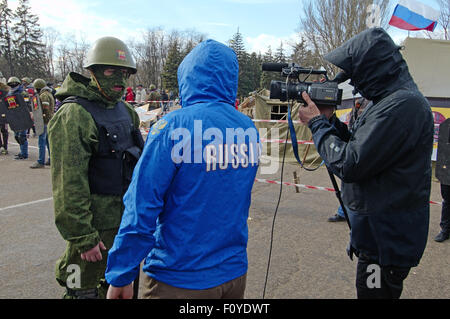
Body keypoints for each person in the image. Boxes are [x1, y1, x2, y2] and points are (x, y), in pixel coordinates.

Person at [105, 39, 260, 299]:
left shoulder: (172, 127)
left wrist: (122, 272)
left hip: (179, 276)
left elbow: (141, 203)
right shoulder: (248, 128)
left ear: (188, 77)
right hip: (233, 273)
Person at [298, 28, 434, 299]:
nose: (355, 83)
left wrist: (316, 123)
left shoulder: (402, 106)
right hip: (378, 238)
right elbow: (362, 147)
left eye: (357, 74)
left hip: (385, 245)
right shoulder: (386, 101)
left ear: (373, 68)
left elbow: (350, 163)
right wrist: (329, 121)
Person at [48, 36, 144, 299]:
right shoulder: (74, 115)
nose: (120, 80)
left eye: (125, 73)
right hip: (95, 233)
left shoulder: (126, 112)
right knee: (84, 292)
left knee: (124, 290)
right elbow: (68, 185)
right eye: (111, 71)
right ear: (93, 72)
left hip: (125, 228)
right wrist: (83, 238)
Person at [328, 97, 371, 223]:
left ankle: (347, 212)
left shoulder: (380, 103)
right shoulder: (360, 101)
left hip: (364, 151)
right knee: (346, 180)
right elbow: (352, 122)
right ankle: (343, 211)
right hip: (353, 142)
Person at [30, 79, 55, 169]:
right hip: (49, 121)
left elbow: (45, 107)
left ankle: (41, 161)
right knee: (48, 142)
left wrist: (36, 115)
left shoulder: (44, 95)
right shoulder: (48, 93)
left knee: (41, 141)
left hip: (44, 121)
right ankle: (51, 159)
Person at [7, 76, 31, 160]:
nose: (13, 85)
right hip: (14, 117)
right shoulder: (9, 93)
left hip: (22, 117)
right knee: (17, 136)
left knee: (22, 136)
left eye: (14, 83)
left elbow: (27, 104)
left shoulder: (23, 93)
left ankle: (24, 154)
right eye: (11, 84)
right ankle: (22, 151)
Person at [0, 80, 9, 155]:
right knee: (4, 131)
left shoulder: (5, 90)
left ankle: (5, 147)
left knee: (4, 130)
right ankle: (1, 147)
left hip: (3, 113)